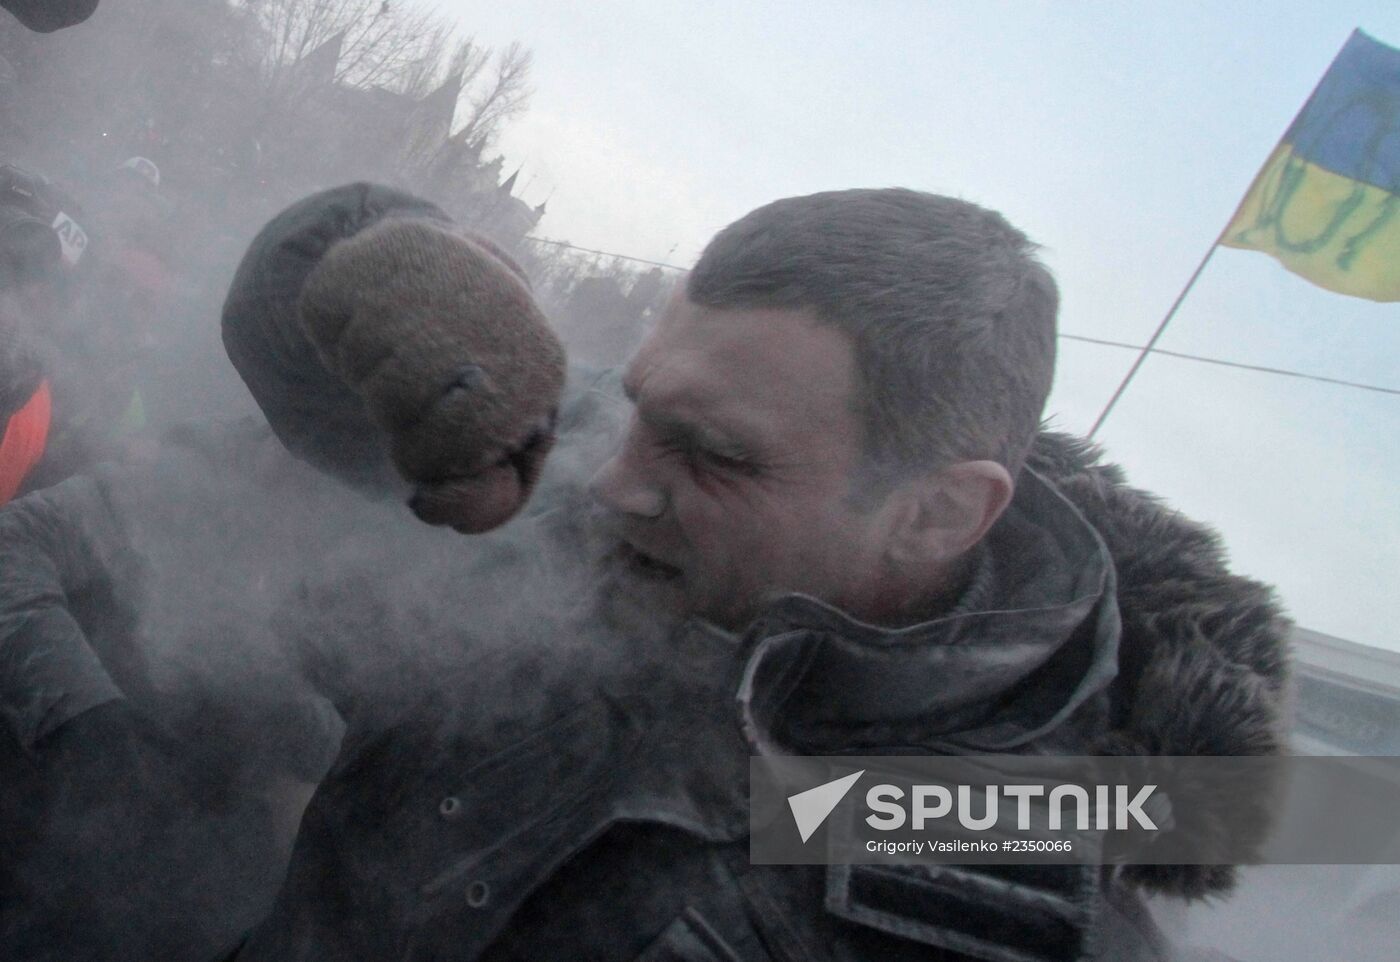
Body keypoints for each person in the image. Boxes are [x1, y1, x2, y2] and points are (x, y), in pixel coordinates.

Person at [232, 188, 1291, 961]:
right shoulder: (603, 464)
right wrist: (371, 259)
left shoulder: (983, 845)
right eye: (639, 405)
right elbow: (319, 381)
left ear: (934, 512)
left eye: (713, 455)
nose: (613, 479)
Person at [0, 182, 565, 961]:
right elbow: (13, 547)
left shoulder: (534, 583)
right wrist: (84, 721)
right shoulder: (225, 465)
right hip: (59, 867)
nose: (284, 455)